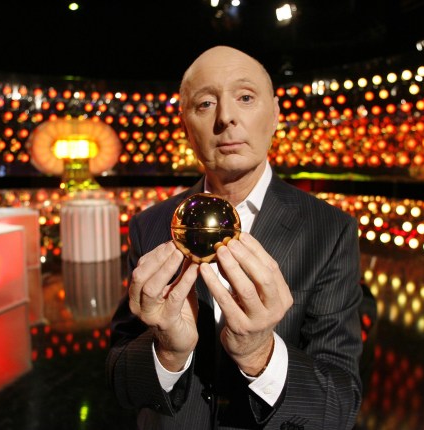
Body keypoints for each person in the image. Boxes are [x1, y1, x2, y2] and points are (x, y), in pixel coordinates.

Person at [106, 45, 363, 430]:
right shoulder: (152, 225)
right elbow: (122, 384)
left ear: (275, 115)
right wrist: (167, 352)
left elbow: (339, 405)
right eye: (205, 103)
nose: (226, 117)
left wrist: (261, 352)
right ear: (186, 125)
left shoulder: (329, 230)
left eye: (245, 97)